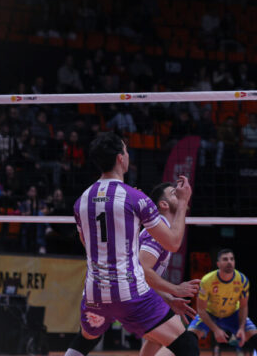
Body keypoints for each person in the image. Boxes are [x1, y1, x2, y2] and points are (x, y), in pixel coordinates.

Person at [64, 132, 199, 356]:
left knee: (86, 339)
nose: (127, 155)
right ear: (120, 158)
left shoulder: (82, 201)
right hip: (130, 294)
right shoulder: (135, 198)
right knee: (187, 346)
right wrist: (183, 201)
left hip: (94, 293)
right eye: (126, 151)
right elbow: (174, 243)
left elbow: (87, 243)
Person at [138, 182, 204, 356]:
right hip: (130, 297)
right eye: (175, 193)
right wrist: (175, 289)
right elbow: (142, 271)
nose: (181, 195)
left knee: (156, 339)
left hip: (135, 293)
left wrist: (168, 299)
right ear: (164, 204)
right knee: (187, 344)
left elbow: (143, 276)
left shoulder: (164, 230)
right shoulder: (160, 229)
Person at [188, 249, 257, 355]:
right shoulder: (207, 280)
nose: (229, 262)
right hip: (210, 314)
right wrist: (216, 330)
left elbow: (243, 307)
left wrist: (241, 328)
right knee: (187, 341)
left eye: (232, 259)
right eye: (225, 259)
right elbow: (201, 310)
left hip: (233, 315)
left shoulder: (242, 280)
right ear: (218, 264)